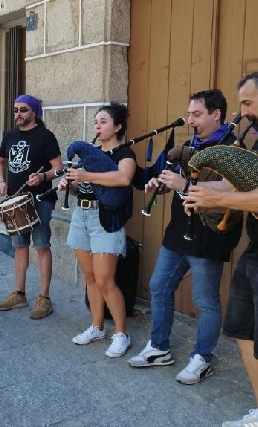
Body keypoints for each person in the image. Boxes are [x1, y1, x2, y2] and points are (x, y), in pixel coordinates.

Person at [127, 89, 243, 384]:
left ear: (216, 114)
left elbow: (226, 196)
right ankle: (159, 348)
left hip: (209, 235)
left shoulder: (233, 149)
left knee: (204, 300)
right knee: (159, 286)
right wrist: (161, 184)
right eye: (189, 113)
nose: (190, 119)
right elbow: (177, 184)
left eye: (197, 114)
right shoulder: (189, 143)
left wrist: (181, 184)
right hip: (179, 231)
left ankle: (203, 358)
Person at [182, 73, 258, 426]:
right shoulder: (255, 143)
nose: (241, 112)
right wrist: (202, 194)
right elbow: (236, 182)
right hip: (255, 248)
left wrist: (217, 196)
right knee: (242, 329)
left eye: (247, 102)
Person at [57, 103, 135, 357]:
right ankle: (96, 326)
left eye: (103, 121)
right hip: (82, 215)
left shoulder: (124, 154)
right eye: (95, 122)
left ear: (118, 126)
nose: (97, 126)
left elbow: (123, 179)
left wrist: (86, 175)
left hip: (107, 219)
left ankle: (122, 334)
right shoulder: (89, 154)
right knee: (90, 277)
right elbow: (84, 188)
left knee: (105, 280)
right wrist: (68, 185)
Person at [0, 94, 63, 319]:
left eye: (23, 110)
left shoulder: (46, 136)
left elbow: (59, 169)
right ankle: (20, 293)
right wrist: (1, 181)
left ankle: (44, 298)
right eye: (15, 110)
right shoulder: (10, 135)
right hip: (16, 199)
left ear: (34, 112)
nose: (18, 114)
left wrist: (43, 176)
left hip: (40, 199)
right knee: (20, 246)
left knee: (42, 246)